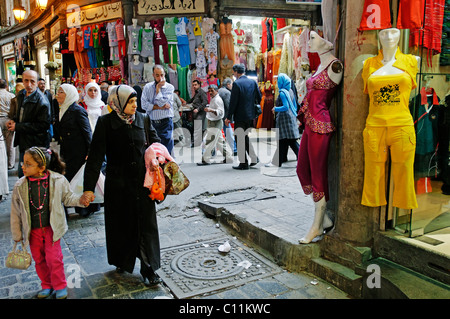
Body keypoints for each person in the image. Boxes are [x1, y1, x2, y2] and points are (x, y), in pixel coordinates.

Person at [82, 85, 163, 286]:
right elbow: (95, 158)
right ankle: (122, 260)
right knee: (121, 225)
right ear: (118, 103)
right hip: (118, 185)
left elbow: (156, 143)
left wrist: (157, 157)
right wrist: (88, 189)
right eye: (131, 102)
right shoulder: (105, 123)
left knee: (146, 226)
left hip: (143, 184)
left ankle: (149, 268)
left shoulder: (142, 119)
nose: (135, 106)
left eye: (136, 101)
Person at [10, 146, 91, 299]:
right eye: (23, 163)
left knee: (54, 259)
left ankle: (60, 285)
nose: (23, 167)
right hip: (32, 230)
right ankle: (46, 284)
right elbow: (16, 211)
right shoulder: (20, 186)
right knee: (39, 260)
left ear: (41, 168)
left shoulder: (58, 180)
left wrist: (81, 200)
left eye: (28, 164)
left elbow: (68, 198)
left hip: (52, 229)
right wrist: (17, 233)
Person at [361, 28, 419, 210]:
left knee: (404, 170)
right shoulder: (369, 64)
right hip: (374, 125)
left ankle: (403, 205)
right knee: (372, 171)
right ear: (378, 36)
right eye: (384, 33)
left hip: (402, 125)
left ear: (401, 35)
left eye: (393, 32)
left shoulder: (412, 61)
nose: (389, 37)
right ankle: (374, 203)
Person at [296, 31, 343, 244]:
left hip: (321, 126)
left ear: (325, 42)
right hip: (309, 123)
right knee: (301, 169)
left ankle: (315, 226)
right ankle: (323, 218)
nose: (310, 41)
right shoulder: (320, 66)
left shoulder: (335, 66)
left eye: (313, 37)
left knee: (317, 175)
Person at [54, 84, 98, 218]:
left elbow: (87, 133)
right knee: (71, 179)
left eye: (61, 92)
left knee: (80, 180)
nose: (57, 95)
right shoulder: (62, 110)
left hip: (79, 152)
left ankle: (85, 207)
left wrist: (90, 153)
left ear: (68, 94)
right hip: (68, 151)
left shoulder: (77, 110)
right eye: (58, 92)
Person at [7, 70, 51, 178]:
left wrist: (17, 127)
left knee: (32, 174)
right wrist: (14, 121)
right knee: (23, 173)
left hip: (36, 142)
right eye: (26, 81)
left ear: (37, 82)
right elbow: (20, 114)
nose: (29, 84)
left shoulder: (42, 101)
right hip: (23, 141)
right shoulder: (21, 95)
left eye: (32, 81)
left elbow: (42, 125)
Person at [225, 64, 261, 170]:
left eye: (234, 72)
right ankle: (253, 158)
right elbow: (259, 98)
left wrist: (228, 116)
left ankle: (243, 163)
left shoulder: (236, 83)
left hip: (240, 115)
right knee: (244, 137)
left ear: (236, 72)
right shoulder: (253, 82)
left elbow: (233, 102)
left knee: (239, 138)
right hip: (250, 116)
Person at [266, 73, 300, 167]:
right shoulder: (290, 90)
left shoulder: (282, 92)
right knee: (285, 141)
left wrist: (275, 109)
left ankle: (302, 160)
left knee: (289, 141)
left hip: (285, 120)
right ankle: (280, 160)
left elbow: (285, 107)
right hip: (290, 118)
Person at [141, 65, 175, 155]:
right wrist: (160, 107)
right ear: (153, 75)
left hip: (166, 122)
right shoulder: (147, 87)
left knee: (167, 147)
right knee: (154, 148)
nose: (160, 78)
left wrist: (158, 89)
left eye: (162, 75)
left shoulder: (169, 87)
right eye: (157, 75)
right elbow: (143, 105)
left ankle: (169, 166)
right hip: (152, 122)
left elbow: (161, 103)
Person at [197, 85, 233, 165]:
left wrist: (210, 110)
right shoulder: (214, 99)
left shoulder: (217, 100)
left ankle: (206, 159)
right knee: (219, 141)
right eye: (209, 91)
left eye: (212, 91)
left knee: (210, 141)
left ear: (216, 91)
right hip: (213, 122)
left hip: (216, 122)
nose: (210, 93)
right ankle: (229, 157)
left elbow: (220, 112)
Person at [218, 77, 237, 155]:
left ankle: (235, 149)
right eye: (232, 84)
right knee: (228, 133)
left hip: (218, 116)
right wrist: (229, 117)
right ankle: (235, 149)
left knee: (218, 133)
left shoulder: (218, 91)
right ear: (228, 84)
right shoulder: (227, 93)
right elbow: (229, 105)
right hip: (224, 117)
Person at [0, 79, 16, 169]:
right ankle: (10, 164)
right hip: (8, 120)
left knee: (0, 144)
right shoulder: (11, 96)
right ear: (6, 86)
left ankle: (2, 163)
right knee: (10, 144)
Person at [189, 79, 208, 147]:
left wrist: (198, 108)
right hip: (196, 113)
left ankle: (195, 143)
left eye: (195, 85)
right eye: (193, 85)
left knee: (198, 127)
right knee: (197, 127)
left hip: (200, 113)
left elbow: (205, 102)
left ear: (199, 85)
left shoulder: (202, 92)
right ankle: (196, 142)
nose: (194, 86)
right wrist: (186, 102)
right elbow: (193, 100)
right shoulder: (196, 92)